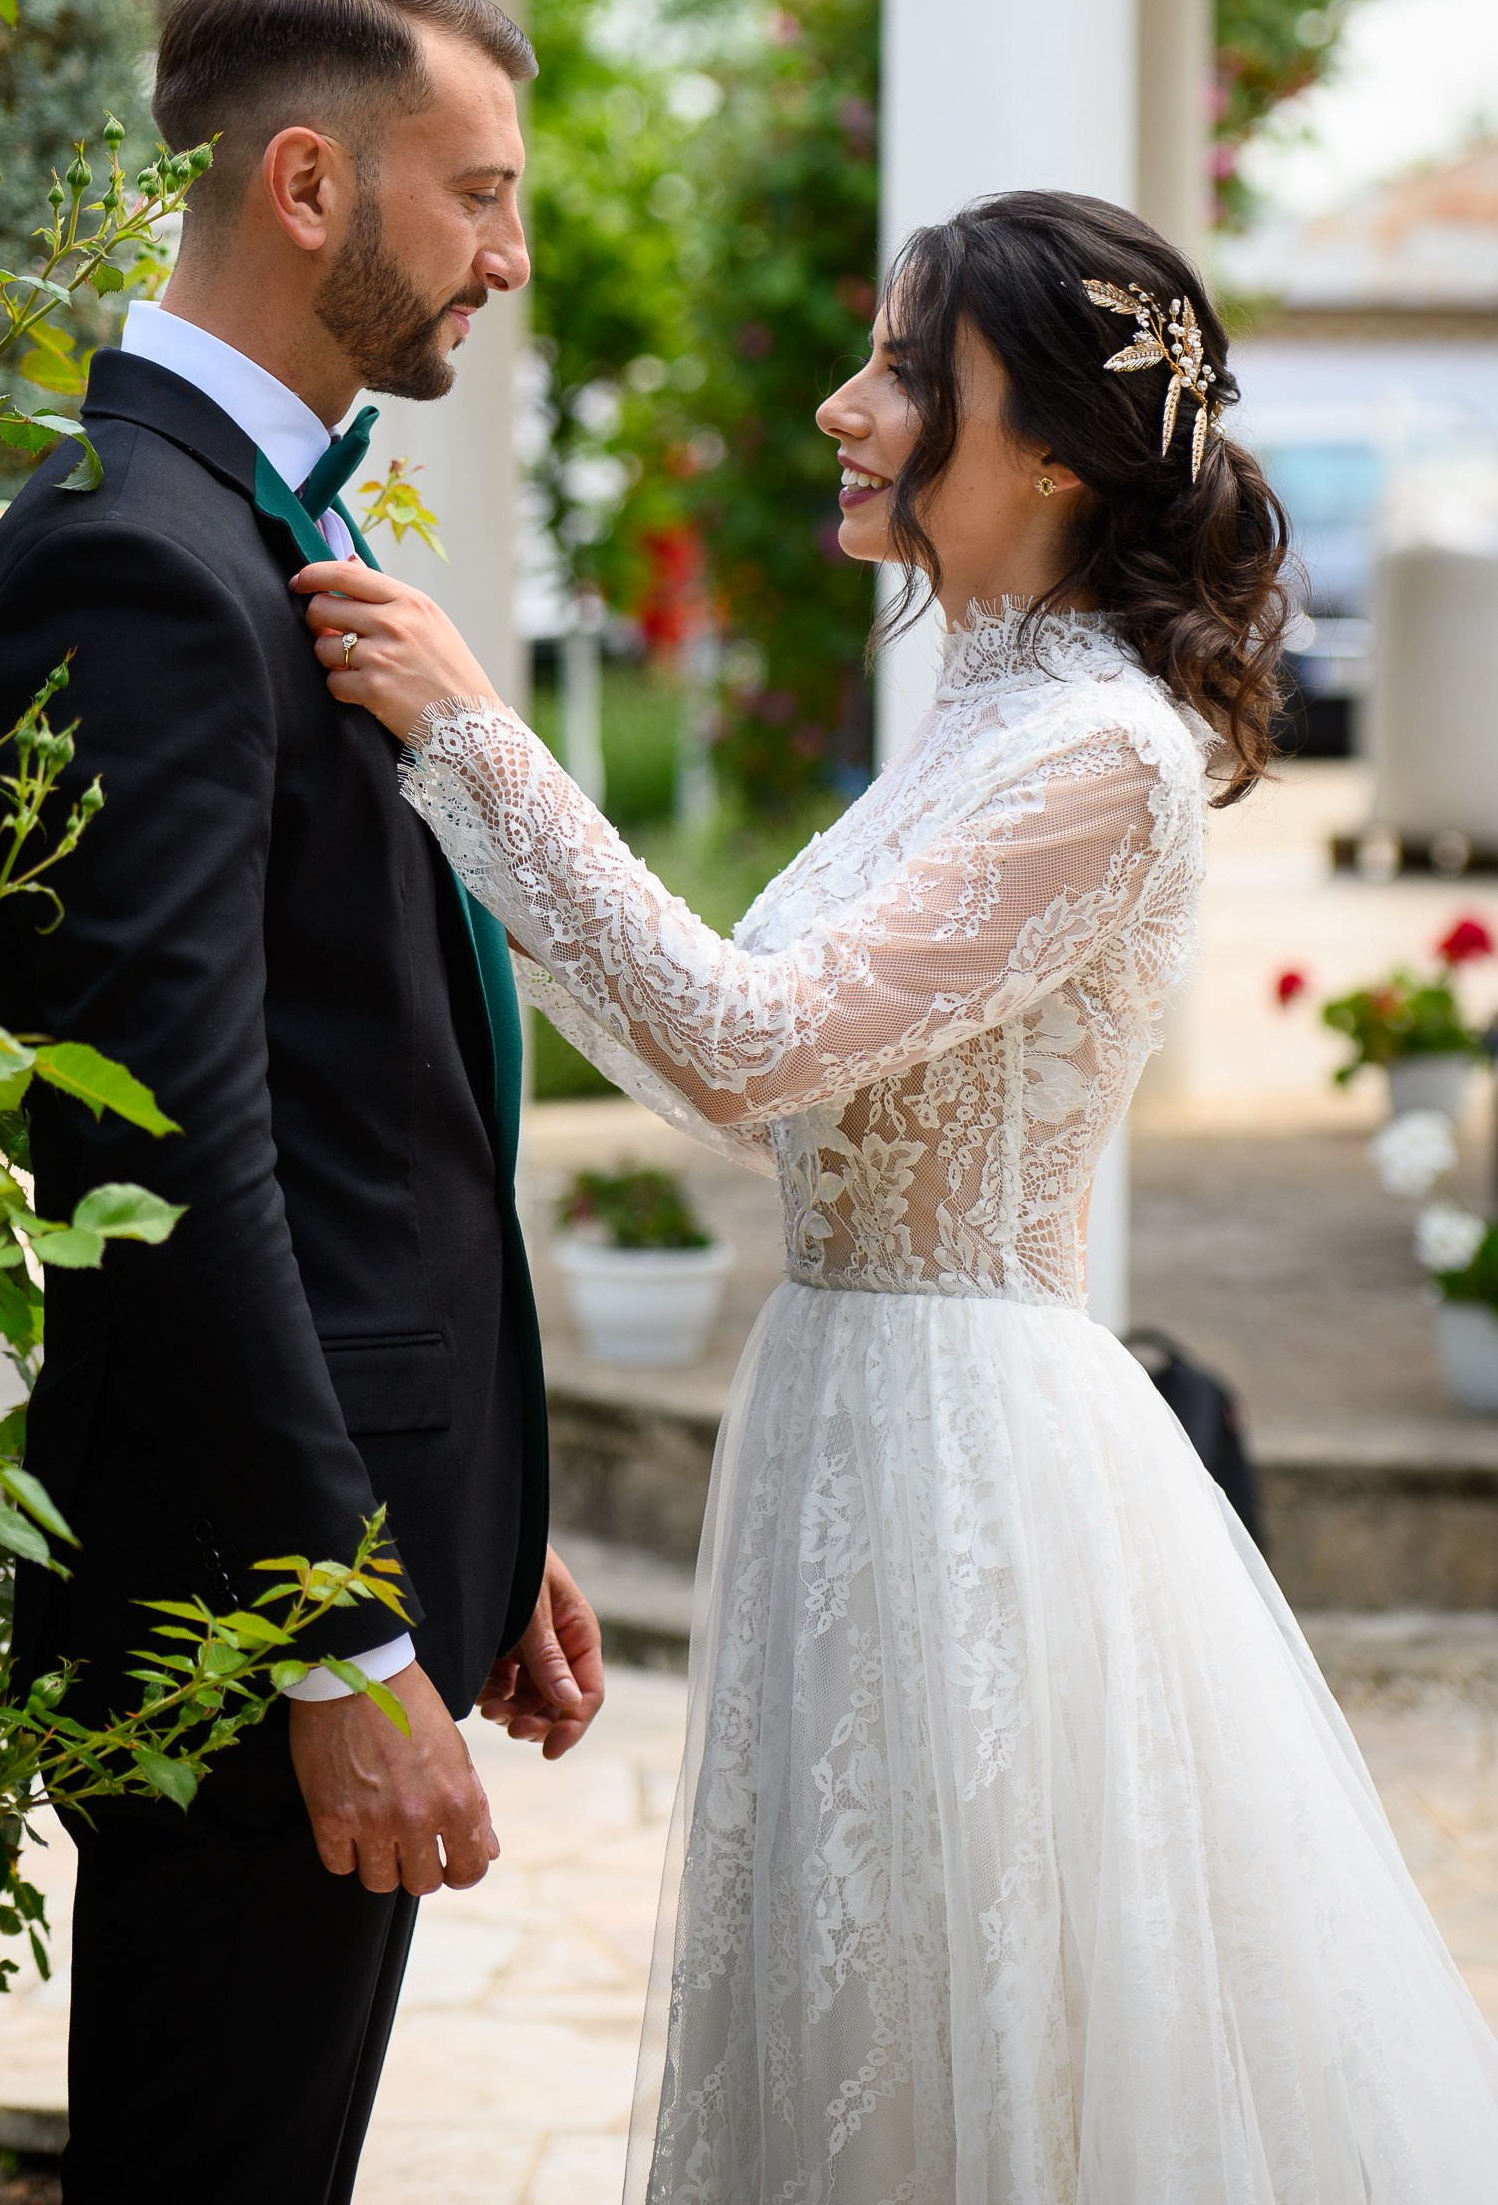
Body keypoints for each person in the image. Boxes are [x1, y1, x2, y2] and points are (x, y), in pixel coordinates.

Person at [296, 188, 1498, 2200]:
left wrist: (475, 744)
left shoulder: (1095, 756)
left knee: (986, 2004)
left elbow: (740, 1040)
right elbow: (702, 1030)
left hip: (974, 1453)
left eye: (901, 373)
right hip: (849, 1404)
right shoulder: (982, 714)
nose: (844, 411)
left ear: (1042, 444)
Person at [0, 0, 604, 2205]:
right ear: (308, 185)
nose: (508, 257)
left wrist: (476, 1520)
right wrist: (324, 1628)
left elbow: (368, 1103)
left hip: (344, 1541)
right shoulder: (132, 561)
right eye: (480, 191)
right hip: (245, 1610)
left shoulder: (261, 534)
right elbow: (170, 1156)